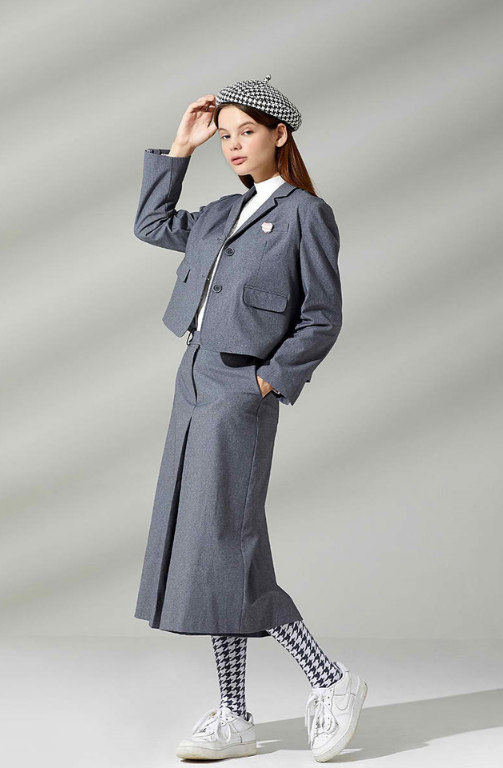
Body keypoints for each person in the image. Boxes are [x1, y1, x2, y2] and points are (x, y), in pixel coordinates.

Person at [132, 75, 367, 762]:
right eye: (226, 136)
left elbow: (322, 316)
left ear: (279, 134)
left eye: (247, 132)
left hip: (239, 389)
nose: (234, 145)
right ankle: (234, 714)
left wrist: (266, 381)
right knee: (211, 547)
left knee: (226, 545)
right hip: (192, 383)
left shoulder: (304, 215)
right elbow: (151, 225)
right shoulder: (217, 215)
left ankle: (330, 680)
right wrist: (181, 147)